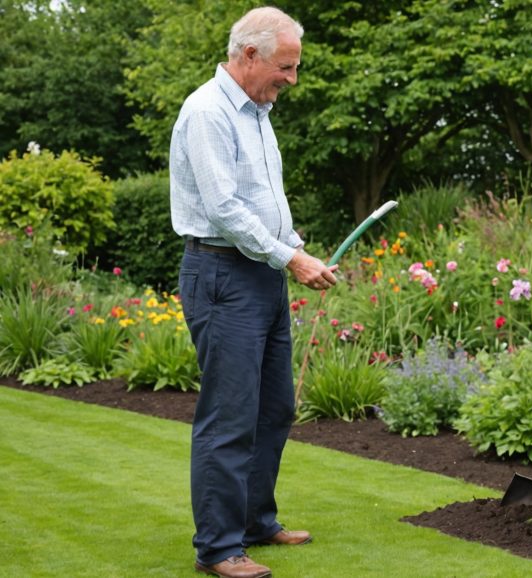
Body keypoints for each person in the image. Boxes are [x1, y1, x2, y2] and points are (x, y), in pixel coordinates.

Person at [170, 7, 338, 578]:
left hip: (259, 274)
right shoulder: (207, 113)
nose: (291, 79)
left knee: (274, 408)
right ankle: (218, 547)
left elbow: (266, 203)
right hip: (220, 275)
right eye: (285, 68)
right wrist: (291, 257)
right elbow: (223, 209)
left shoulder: (258, 113)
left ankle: (254, 522)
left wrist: (297, 250)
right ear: (249, 56)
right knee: (229, 414)